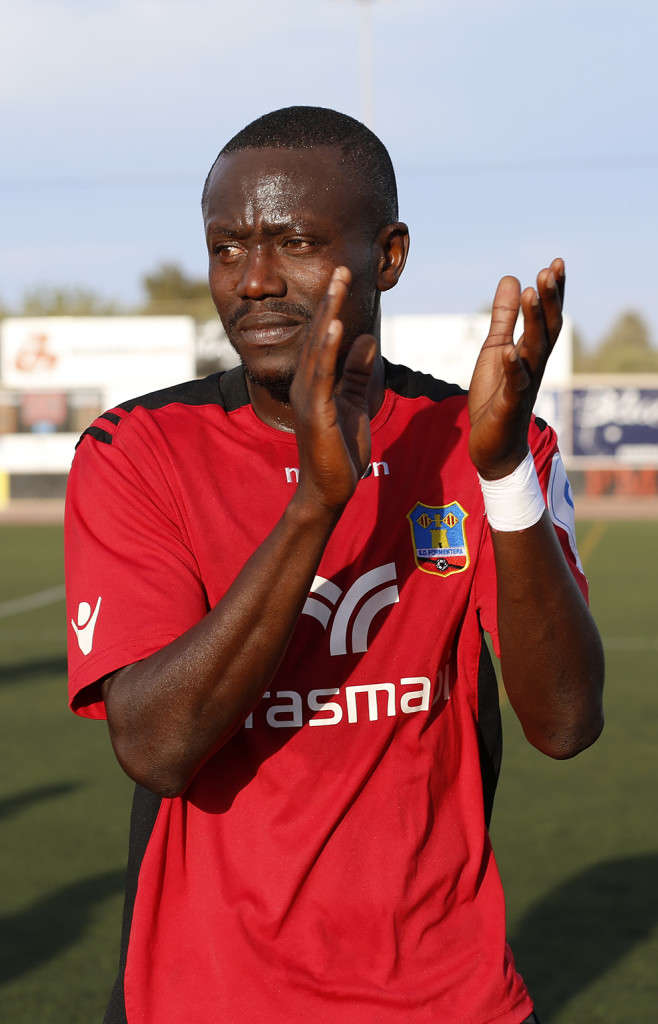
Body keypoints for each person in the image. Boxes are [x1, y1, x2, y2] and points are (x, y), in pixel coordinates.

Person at [64, 106, 604, 1024]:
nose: (254, 280)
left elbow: (565, 722)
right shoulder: (137, 450)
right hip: (208, 998)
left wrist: (504, 473)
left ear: (388, 256)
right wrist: (317, 503)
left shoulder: (484, 439)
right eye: (227, 248)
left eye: (296, 243)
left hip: (448, 998)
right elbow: (156, 748)